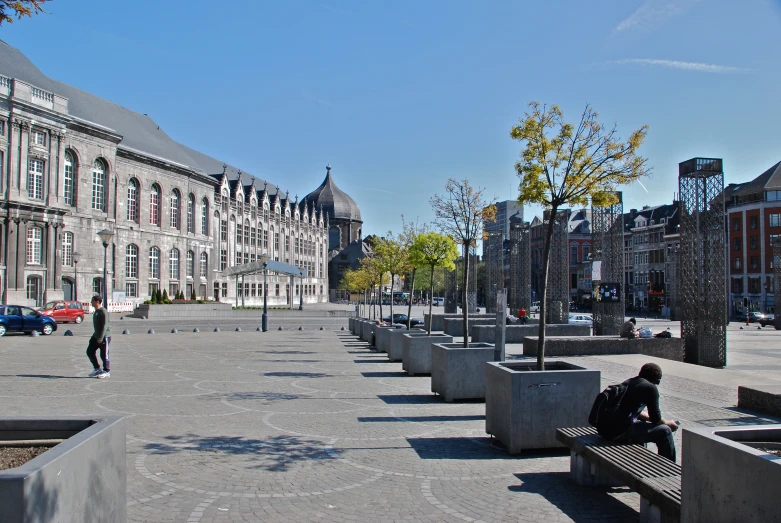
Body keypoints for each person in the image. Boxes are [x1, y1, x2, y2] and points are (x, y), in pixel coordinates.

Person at [600, 363, 678, 462]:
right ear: (656, 379)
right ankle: (669, 469)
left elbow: (633, 411)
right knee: (665, 431)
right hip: (619, 433)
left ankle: (639, 458)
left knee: (641, 421)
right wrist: (668, 423)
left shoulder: (630, 382)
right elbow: (656, 418)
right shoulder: (650, 388)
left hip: (606, 431)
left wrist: (647, 418)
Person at [87, 295, 111, 379]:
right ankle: (97, 368)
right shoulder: (96, 311)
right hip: (96, 335)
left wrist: (101, 338)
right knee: (89, 351)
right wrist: (95, 336)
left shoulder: (103, 311)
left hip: (104, 336)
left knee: (104, 354)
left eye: (92, 301)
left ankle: (107, 371)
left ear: (97, 301)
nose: (91, 302)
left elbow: (105, 325)